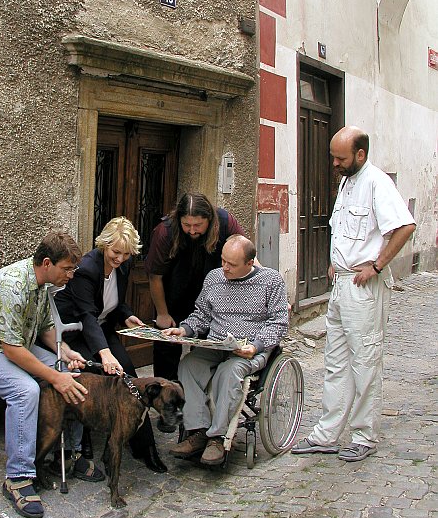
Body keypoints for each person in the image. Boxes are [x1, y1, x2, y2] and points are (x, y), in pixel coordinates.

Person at [0, 230, 102, 518]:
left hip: (13, 342)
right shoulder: (12, 287)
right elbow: (11, 350)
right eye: (67, 269)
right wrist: (53, 376)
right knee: (25, 390)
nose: (71, 275)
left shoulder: (43, 284)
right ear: (47, 263)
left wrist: (65, 354)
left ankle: (69, 453)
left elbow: (45, 328)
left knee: (72, 371)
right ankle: (17, 478)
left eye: (73, 269)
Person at [292, 126, 416, 462]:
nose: (334, 163)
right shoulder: (347, 182)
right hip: (342, 284)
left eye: (340, 157)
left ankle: (364, 435)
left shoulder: (377, 182)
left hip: (364, 287)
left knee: (365, 362)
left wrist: (376, 266)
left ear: (360, 154)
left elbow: (405, 226)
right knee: (335, 361)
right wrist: (335, 263)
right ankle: (327, 434)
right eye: (333, 156)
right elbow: (346, 229)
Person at [55, 216, 168, 473]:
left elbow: (113, 302)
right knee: (95, 372)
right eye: (116, 252)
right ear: (104, 245)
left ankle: (144, 447)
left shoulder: (124, 267)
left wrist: (127, 315)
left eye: (126, 254)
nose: (119, 259)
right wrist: (105, 354)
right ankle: (84, 444)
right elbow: (86, 314)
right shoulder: (87, 269)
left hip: (101, 327)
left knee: (129, 375)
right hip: (77, 331)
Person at [164, 235, 289, 466]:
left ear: (250, 263)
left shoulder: (271, 281)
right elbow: (201, 315)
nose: (225, 268)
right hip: (216, 344)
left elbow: (279, 322)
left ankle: (217, 438)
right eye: (223, 261)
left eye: (231, 264)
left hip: (248, 348)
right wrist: (184, 329)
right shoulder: (214, 278)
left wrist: (256, 346)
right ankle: (198, 431)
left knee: (228, 372)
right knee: (188, 365)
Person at [145, 192, 246, 395]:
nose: (192, 230)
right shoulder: (165, 232)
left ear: (209, 219)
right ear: (179, 219)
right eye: (187, 225)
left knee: (208, 350)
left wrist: (265, 281)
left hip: (214, 299)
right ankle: (167, 402)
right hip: (174, 295)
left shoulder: (225, 223)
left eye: (198, 225)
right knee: (166, 348)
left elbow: (245, 254)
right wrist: (163, 313)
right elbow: (155, 277)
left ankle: (204, 399)